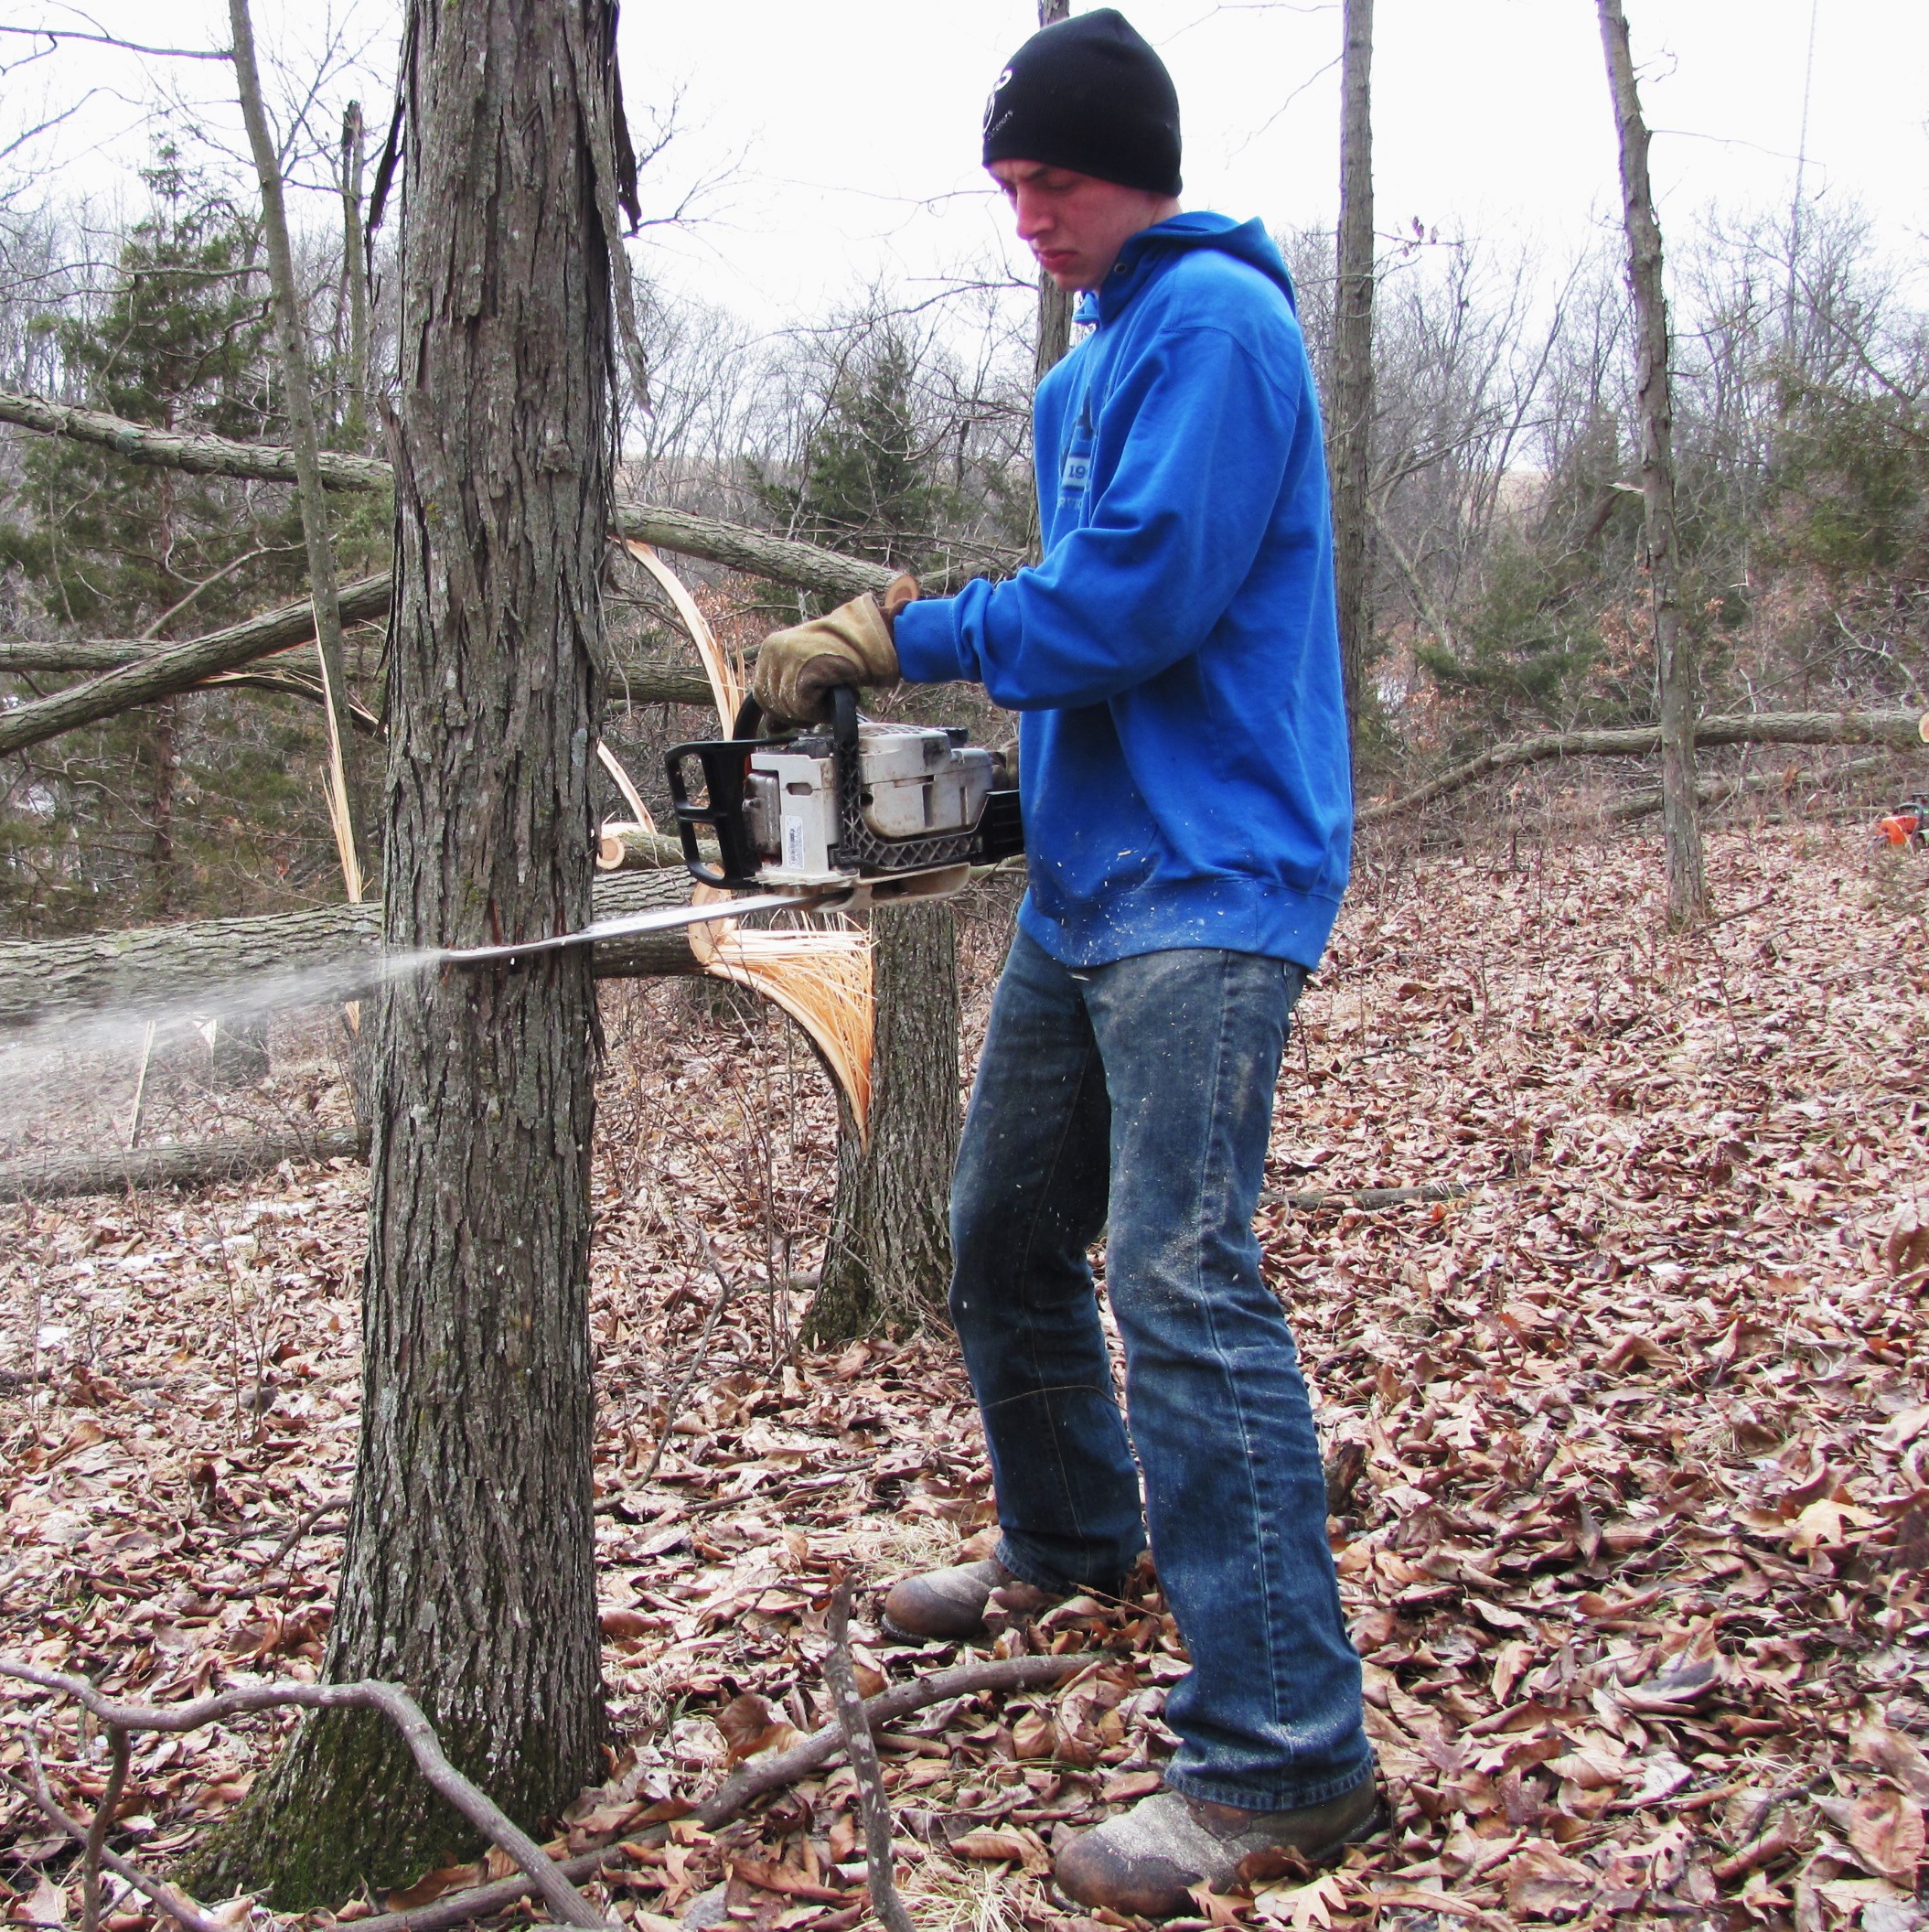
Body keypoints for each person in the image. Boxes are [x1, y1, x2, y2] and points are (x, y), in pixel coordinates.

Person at [748, 8, 1374, 1918]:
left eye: (1059, 180)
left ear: (1137, 169)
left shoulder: (1217, 330)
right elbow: (1101, 652)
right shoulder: (1088, 366)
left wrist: (896, 629)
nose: (1030, 214)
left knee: (1182, 1279)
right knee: (999, 1233)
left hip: (1214, 879)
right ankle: (1073, 1540)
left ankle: (1287, 1756)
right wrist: (960, 804)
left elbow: (1138, 600)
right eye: (1009, 185)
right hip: (1097, 871)